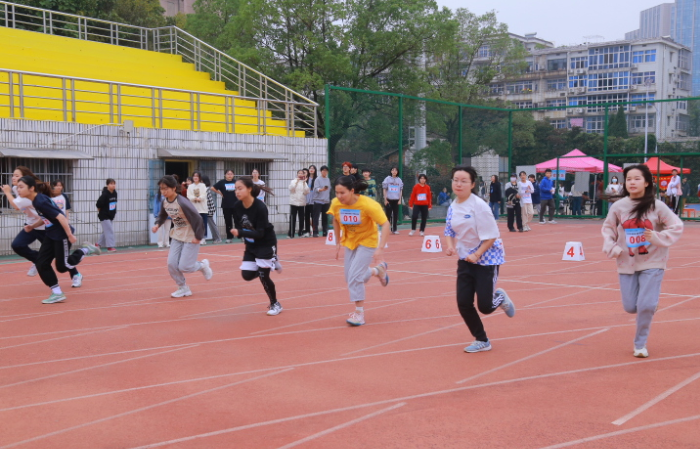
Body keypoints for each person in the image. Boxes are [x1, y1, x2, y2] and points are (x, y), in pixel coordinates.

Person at [602, 165, 683, 358]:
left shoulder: (657, 206)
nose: (632, 182)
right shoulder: (618, 207)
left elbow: (676, 226)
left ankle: (640, 344)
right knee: (630, 306)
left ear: (647, 183)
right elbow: (607, 230)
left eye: (637, 178)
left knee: (645, 306)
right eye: (628, 179)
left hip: (653, 261)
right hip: (626, 262)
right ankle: (649, 303)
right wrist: (612, 247)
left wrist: (656, 237)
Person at [444, 166, 515, 353]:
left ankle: (499, 297)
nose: (458, 184)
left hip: (487, 259)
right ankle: (482, 339)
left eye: (463, 181)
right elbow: (449, 231)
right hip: (465, 258)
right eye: (455, 180)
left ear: (472, 184)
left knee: (485, 306)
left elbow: (492, 235)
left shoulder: (479, 206)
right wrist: (450, 246)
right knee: (463, 303)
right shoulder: (453, 206)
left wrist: (477, 254)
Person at [16, 176, 100, 303]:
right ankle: (57, 293)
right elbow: (45, 217)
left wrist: (70, 236)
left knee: (62, 266)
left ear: (31, 188)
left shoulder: (40, 201)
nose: (18, 190)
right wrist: (32, 226)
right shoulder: (36, 201)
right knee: (41, 263)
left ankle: (85, 249)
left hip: (61, 234)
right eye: (17, 187)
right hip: (51, 234)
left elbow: (61, 217)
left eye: (21, 187)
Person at [328, 176, 390, 326]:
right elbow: (335, 220)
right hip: (350, 241)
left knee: (355, 277)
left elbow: (385, 224)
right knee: (350, 277)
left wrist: (380, 249)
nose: (339, 196)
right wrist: (337, 243)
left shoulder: (368, 205)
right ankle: (378, 271)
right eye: (336, 192)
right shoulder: (336, 204)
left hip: (368, 241)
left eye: (342, 193)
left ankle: (359, 314)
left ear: (352, 191)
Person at [152, 175, 213, 298]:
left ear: (174, 188)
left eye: (166, 188)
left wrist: (199, 236)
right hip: (178, 234)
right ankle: (183, 288)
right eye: (161, 189)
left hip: (191, 235)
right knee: (171, 264)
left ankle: (202, 265)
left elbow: (198, 218)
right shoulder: (165, 202)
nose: (163, 191)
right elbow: (163, 215)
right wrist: (158, 224)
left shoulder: (182, 202)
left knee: (185, 266)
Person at [231, 177, 283, 315]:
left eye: (240, 188)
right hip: (251, 245)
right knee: (247, 275)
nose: (237, 191)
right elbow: (239, 225)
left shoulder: (260, 207)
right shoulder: (237, 206)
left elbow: (260, 233)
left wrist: (240, 232)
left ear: (249, 189)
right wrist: (239, 232)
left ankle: (275, 304)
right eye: (235, 188)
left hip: (265, 243)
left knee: (263, 275)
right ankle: (273, 261)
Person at [212, 169, 237, 243]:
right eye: (228, 174)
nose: (229, 175)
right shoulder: (222, 182)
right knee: (228, 222)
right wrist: (219, 193)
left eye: (231, 174)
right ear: (225, 175)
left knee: (238, 221)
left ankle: (241, 235)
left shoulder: (237, 182)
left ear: (233, 175)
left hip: (236, 205)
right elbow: (212, 188)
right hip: (226, 205)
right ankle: (229, 237)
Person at [95, 178, 118, 252]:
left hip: (111, 215)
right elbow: (98, 204)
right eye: (111, 184)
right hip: (104, 216)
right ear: (107, 185)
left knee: (106, 231)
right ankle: (110, 246)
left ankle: (98, 244)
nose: (113, 185)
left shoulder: (115, 193)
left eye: (114, 184)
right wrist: (101, 211)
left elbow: (114, 204)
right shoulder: (104, 194)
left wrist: (113, 213)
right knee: (109, 230)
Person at [187, 171, 209, 245]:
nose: (195, 177)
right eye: (194, 176)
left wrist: (200, 198)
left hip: (202, 208)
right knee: (195, 224)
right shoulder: (190, 186)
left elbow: (204, 194)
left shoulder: (203, 185)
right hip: (194, 208)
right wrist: (195, 198)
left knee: (203, 224)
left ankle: (203, 238)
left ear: (199, 178)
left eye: (197, 176)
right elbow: (189, 196)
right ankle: (196, 237)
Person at [288, 169, 309, 238]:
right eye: (299, 173)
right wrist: (296, 182)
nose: (300, 174)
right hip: (293, 202)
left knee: (301, 219)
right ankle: (291, 233)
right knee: (292, 218)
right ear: (297, 174)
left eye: (301, 173)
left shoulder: (304, 183)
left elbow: (306, 192)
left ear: (303, 175)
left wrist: (304, 183)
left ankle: (300, 232)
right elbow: (291, 189)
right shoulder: (293, 181)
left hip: (301, 203)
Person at [311, 165, 332, 237]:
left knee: (325, 217)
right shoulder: (317, 179)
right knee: (316, 217)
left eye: (326, 171)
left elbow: (329, 189)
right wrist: (322, 189)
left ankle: (324, 231)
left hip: (326, 201)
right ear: (321, 171)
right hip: (318, 201)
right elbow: (316, 188)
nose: (324, 172)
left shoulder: (328, 179)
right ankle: (315, 231)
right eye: (323, 171)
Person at [382, 167, 403, 235]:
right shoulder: (387, 179)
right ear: (391, 171)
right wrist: (385, 199)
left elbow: (400, 190)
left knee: (395, 215)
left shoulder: (399, 180)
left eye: (396, 170)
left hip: (396, 200)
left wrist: (400, 199)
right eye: (393, 170)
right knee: (388, 215)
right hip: (389, 199)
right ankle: (386, 229)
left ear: (397, 172)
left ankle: (394, 229)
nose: (394, 171)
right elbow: (384, 189)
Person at [202, 175, 222, 243]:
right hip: (205, 209)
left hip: (208, 209)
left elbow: (208, 201)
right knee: (209, 224)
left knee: (211, 224)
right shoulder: (204, 188)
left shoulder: (206, 189)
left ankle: (217, 238)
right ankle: (215, 238)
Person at [303, 166, 318, 237]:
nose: (311, 170)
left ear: (315, 170)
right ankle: (307, 231)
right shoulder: (306, 179)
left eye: (313, 168)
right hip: (306, 201)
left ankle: (315, 231)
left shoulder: (317, 179)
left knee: (314, 217)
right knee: (306, 217)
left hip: (314, 201)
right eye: (310, 168)